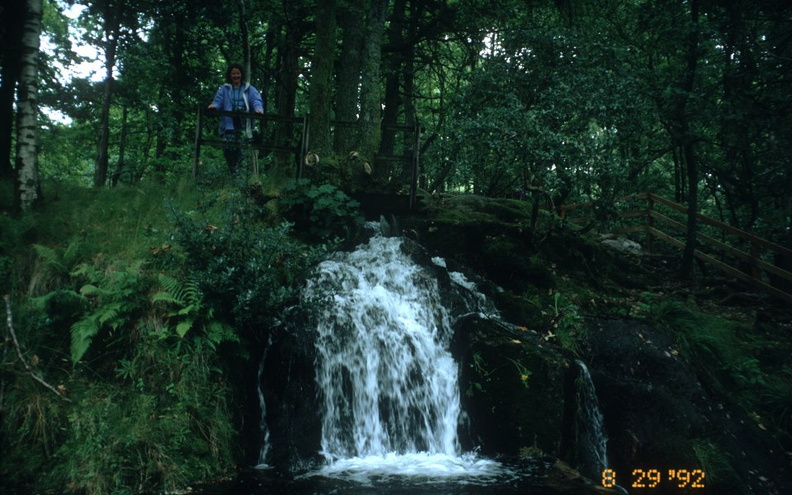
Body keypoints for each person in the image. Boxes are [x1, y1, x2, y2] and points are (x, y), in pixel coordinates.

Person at [208, 63, 264, 174]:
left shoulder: (249, 89)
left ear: (241, 75)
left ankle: (239, 176)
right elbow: (218, 101)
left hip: (244, 125)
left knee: (242, 151)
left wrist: (258, 109)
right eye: (233, 73)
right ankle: (232, 172)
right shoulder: (224, 89)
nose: (236, 76)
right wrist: (214, 106)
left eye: (238, 73)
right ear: (230, 75)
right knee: (228, 150)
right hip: (229, 125)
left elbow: (256, 100)